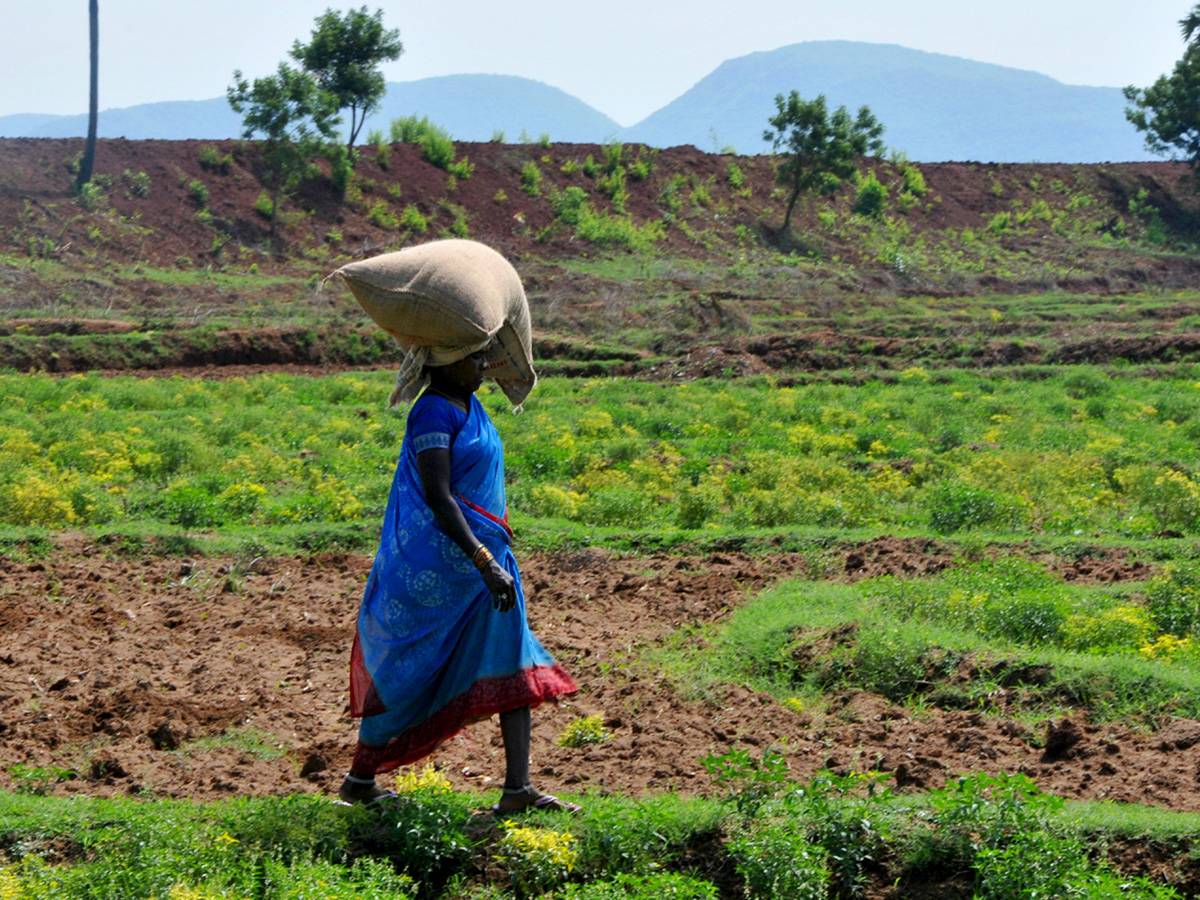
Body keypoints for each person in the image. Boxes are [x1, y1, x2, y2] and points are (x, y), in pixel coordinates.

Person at [339, 347, 580, 813]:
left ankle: (517, 789)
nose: (483, 367)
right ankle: (359, 778)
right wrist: (484, 559)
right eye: (474, 359)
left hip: (484, 564)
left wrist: (491, 558)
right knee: (412, 672)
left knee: (511, 655)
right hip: (450, 566)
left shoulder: (471, 406)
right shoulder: (432, 410)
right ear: (445, 362)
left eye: (485, 358)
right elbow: (438, 495)